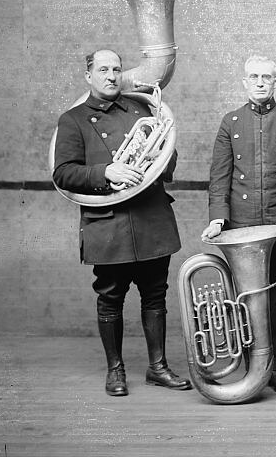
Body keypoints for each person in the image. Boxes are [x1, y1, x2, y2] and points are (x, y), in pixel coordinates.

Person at [53, 49, 192, 397]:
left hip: (151, 219)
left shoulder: (143, 110)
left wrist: (162, 154)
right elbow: (63, 173)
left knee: (155, 296)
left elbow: (165, 160)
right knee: (111, 299)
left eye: (116, 69)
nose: (112, 76)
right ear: (89, 76)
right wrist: (106, 172)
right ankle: (115, 370)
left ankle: (157, 368)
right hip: (108, 223)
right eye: (103, 70)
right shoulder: (73, 120)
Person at [201, 54, 276, 395]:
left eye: (267, 77)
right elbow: (219, 177)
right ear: (244, 82)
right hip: (241, 229)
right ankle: (251, 366)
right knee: (245, 299)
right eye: (254, 76)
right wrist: (218, 217)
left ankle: (275, 368)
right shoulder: (230, 121)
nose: (261, 82)